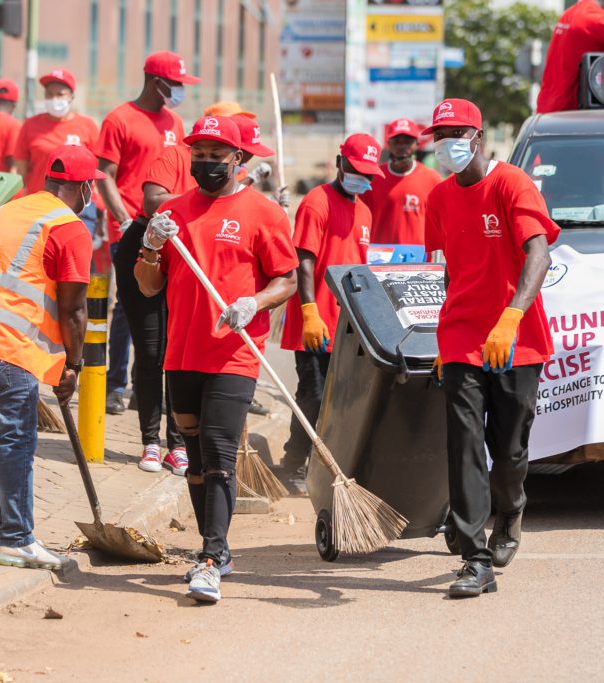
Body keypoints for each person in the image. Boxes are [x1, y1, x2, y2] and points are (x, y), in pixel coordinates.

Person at [134, 116, 297, 602]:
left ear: (238, 159)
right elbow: (149, 286)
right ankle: (215, 550)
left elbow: (286, 279)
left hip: (233, 352)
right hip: (182, 353)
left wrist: (255, 303)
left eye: (215, 154)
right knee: (196, 460)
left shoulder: (263, 213)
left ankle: (211, 554)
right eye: (198, 154)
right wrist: (150, 245)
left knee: (220, 452)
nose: (205, 163)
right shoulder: (175, 212)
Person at [422, 99, 559, 598]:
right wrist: (443, 335)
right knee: (462, 445)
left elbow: (539, 255)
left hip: (515, 339)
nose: (446, 143)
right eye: (439, 134)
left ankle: (512, 507)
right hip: (460, 338)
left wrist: (511, 316)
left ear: (477, 138)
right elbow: (451, 270)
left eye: (455, 132)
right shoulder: (438, 199)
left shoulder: (511, 184)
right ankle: (475, 559)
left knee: (509, 451)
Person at [0, 145, 96, 570]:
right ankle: (16, 539)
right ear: (83, 188)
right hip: (5, 347)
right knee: (15, 441)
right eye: (89, 190)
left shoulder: (13, 209)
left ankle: (2, 531)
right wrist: (74, 365)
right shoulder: (70, 229)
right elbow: (74, 309)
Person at [95, 52, 197, 420]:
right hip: (131, 224)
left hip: (168, 228)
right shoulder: (120, 119)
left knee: (162, 307)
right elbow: (103, 173)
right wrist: (122, 219)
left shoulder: (176, 122)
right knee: (126, 305)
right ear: (157, 82)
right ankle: (115, 383)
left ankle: (145, 386)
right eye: (178, 84)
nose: (181, 90)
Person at [278, 134, 382, 491]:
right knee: (315, 394)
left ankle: (322, 463)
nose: (360, 177)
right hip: (315, 320)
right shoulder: (317, 202)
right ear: (340, 163)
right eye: (354, 169)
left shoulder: (365, 211)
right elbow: (304, 260)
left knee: (339, 400)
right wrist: (309, 310)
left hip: (347, 325)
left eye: (367, 173)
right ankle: (293, 462)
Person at [14, 68, 98, 195]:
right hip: (39, 202)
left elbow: (97, 169)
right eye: (49, 94)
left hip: (77, 206)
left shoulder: (88, 126)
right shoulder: (30, 125)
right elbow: (21, 172)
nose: (54, 99)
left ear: (71, 96)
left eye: (60, 94)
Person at [361, 118, 442, 245]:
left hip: (419, 260)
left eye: (407, 142)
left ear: (417, 144)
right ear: (388, 143)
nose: (402, 146)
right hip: (379, 259)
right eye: (397, 141)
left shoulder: (432, 179)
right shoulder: (373, 178)